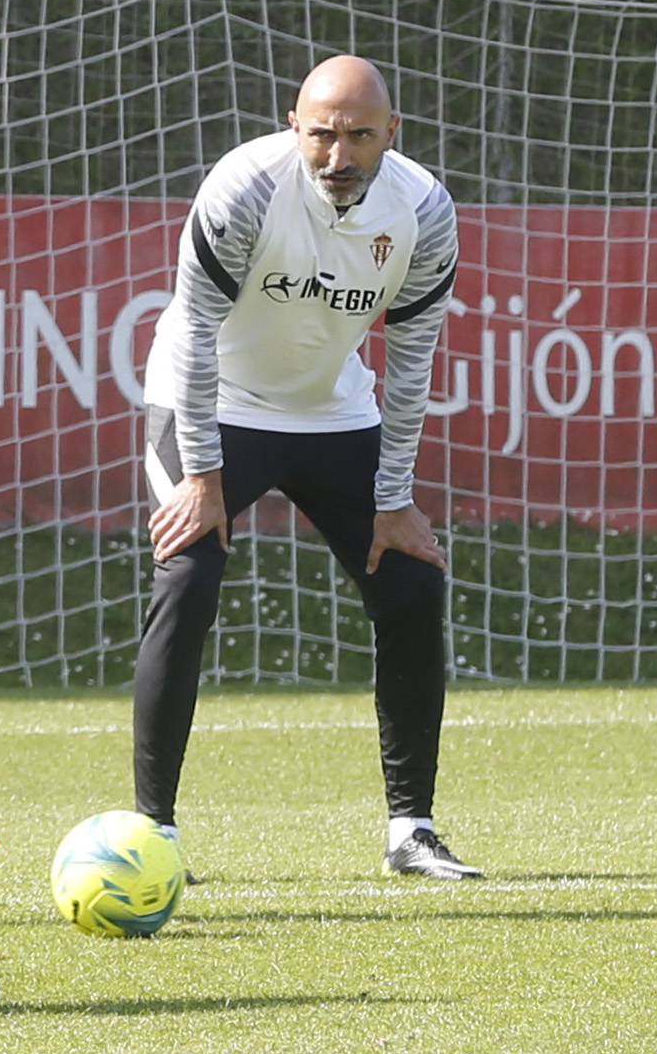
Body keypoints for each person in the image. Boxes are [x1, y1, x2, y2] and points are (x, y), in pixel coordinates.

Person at [138, 56, 470, 875]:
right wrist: (205, 484)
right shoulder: (244, 189)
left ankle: (411, 832)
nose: (339, 155)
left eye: (360, 136)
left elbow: (411, 361)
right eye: (322, 134)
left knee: (413, 581)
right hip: (210, 403)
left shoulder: (424, 211)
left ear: (393, 133)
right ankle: (155, 835)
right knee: (189, 574)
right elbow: (195, 335)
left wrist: (395, 501)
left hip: (332, 409)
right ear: (294, 127)